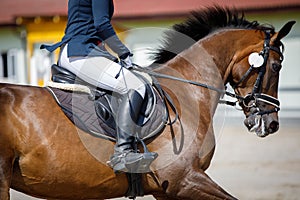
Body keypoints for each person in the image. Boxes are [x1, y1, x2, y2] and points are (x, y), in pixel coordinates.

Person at [41, 0, 157, 173]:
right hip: (81, 53)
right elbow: (101, 24)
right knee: (135, 85)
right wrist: (123, 52)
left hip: (77, 51)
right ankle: (123, 152)